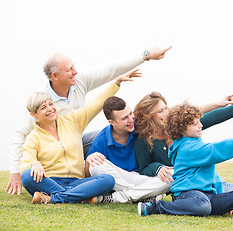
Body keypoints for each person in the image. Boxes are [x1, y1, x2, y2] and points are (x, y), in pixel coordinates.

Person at [6, 46, 172, 195]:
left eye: (50, 105)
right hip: (52, 163)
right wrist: (18, 171)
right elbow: (21, 138)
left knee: (104, 145)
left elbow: (106, 75)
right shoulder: (37, 123)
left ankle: (64, 194)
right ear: (55, 76)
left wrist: (142, 59)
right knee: (29, 175)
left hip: (76, 147)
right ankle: (70, 193)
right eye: (70, 69)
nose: (75, 72)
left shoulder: (75, 100)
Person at [133, 92, 233, 208]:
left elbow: (213, 117)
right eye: (160, 111)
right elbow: (144, 167)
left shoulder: (180, 129)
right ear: (149, 116)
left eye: (166, 108)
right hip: (184, 188)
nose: (165, 113)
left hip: (207, 182)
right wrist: (158, 168)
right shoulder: (143, 140)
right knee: (206, 202)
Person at [20, 69, 142, 204]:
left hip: (77, 182)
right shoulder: (33, 137)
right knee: (27, 176)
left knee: (108, 180)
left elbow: (95, 104)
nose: (50, 109)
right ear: (34, 114)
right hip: (50, 181)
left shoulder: (72, 121)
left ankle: (54, 198)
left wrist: (117, 83)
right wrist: (34, 163)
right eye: (43, 107)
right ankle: (75, 196)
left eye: (50, 104)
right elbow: (25, 163)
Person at [84, 96, 171, 203]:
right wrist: (89, 161)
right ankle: (142, 195)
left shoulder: (141, 129)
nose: (131, 120)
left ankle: (119, 197)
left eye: (130, 113)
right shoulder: (101, 140)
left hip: (139, 177)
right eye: (124, 118)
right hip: (118, 179)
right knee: (96, 165)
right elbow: (89, 177)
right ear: (112, 122)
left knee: (172, 176)